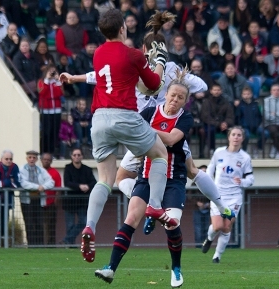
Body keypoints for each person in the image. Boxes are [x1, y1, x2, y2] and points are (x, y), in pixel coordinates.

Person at [63, 8, 169, 262]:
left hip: (99, 118)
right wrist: (160, 61)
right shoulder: (133, 54)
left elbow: (108, 77)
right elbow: (153, 85)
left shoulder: (99, 54)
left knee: (104, 180)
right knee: (159, 154)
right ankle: (154, 204)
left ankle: (90, 226)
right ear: (123, 28)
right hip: (125, 115)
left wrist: (74, 77)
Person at [94, 69, 193, 287]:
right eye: (173, 95)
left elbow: (169, 139)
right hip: (147, 176)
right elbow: (135, 142)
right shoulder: (149, 112)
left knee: (172, 223)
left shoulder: (184, 118)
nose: (175, 99)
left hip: (173, 179)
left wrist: (144, 131)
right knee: (130, 219)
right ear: (165, 94)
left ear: (185, 101)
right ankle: (110, 269)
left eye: (180, 97)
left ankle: (176, 268)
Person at [201, 126, 254, 263]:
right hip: (218, 195)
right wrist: (210, 185)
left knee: (226, 226)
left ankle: (217, 256)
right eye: (234, 135)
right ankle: (209, 238)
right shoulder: (219, 153)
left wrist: (242, 181)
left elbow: (250, 179)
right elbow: (210, 170)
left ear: (242, 138)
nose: (236, 137)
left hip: (234, 197)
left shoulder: (245, 157)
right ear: (229, 137)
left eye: (239, 135)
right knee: (217, 226)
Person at [19, 150, 54, 245]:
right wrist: (37, 187)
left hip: (38, 200)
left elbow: (51, 182)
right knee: (29, 223)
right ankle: (31, 244)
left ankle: (40, 244)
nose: (32, 159)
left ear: (37, 159)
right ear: (27, 158)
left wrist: (43, 187)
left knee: (39, 223)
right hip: (27, 201)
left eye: (34, 157)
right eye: (30, 157)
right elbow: (23, 183)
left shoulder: (41, 170)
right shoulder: (21, 169)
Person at [61, 148, 96, 245]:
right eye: (75, 155)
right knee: (70, 225)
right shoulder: (67, 168)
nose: (77, 157)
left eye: (79, 155)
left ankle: (67, 240)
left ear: (82, 156)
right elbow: (67, 182)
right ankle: (70, 245)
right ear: (71, 156)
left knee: (84, 221)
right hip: (70, 201)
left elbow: (93, 182)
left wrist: (88, 186)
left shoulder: (87, 169)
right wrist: (79, 186)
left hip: (82, 201)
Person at [0, 150, 21, 245]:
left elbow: (17, 184)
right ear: (1, 159)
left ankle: (0, 241)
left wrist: (4, 183)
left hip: (7, 200)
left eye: (10, 159)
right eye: (6, 159)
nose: (9, 161)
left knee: (4, 221)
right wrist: (8, 182)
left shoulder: (15, 167)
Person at [201, 83, 235, 156]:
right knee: (210, 130)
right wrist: (218, 124)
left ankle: (230, 150)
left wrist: (225, 123)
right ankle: (211, 149)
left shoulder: (226, 102)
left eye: (218, 90)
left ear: (221, 91)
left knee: (232, 131)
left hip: (224, 125)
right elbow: (205, 117)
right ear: (211, 91)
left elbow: (230, 116)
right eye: (215, 90)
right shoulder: (206, 102)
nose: (216, 91)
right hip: (212, 124)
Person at [38, 64, 63, 156]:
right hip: (46, 110)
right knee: (46, 131)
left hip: (56, 110)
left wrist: (57, 80)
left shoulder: (57, 82)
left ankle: (52, 152)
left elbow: (60, 93)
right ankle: (44, 151)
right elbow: (42, 93)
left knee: (54, 131)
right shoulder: (41, 81)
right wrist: (47, 80)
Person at [40, 152, 61, 245]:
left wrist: (56, 200)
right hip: (39, 202)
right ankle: (39, 244)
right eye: (45, 159)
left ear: (51, 161)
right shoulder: (37, 171)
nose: (46, 161)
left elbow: (58, 188)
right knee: (40, 225)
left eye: (48, 160)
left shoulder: (55, 173)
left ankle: (50, 244)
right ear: (41, 160)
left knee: (50, 225)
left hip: (51, 203)